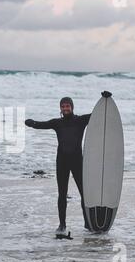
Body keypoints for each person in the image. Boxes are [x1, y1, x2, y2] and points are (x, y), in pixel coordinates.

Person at [25, 91, 112, 235]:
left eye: (67, 106)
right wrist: (31, 123)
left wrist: (105, 100)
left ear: (72, 107)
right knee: (62, 194)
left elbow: (99, 115)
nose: (65, 108)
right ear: (60, 108)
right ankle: (62, 225)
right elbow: (41, 125)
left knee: (85, 194)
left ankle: (88, 223)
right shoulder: (57, 123)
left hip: (78, 161)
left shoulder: (80, 120)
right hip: (62, 162)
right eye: (63, 106)